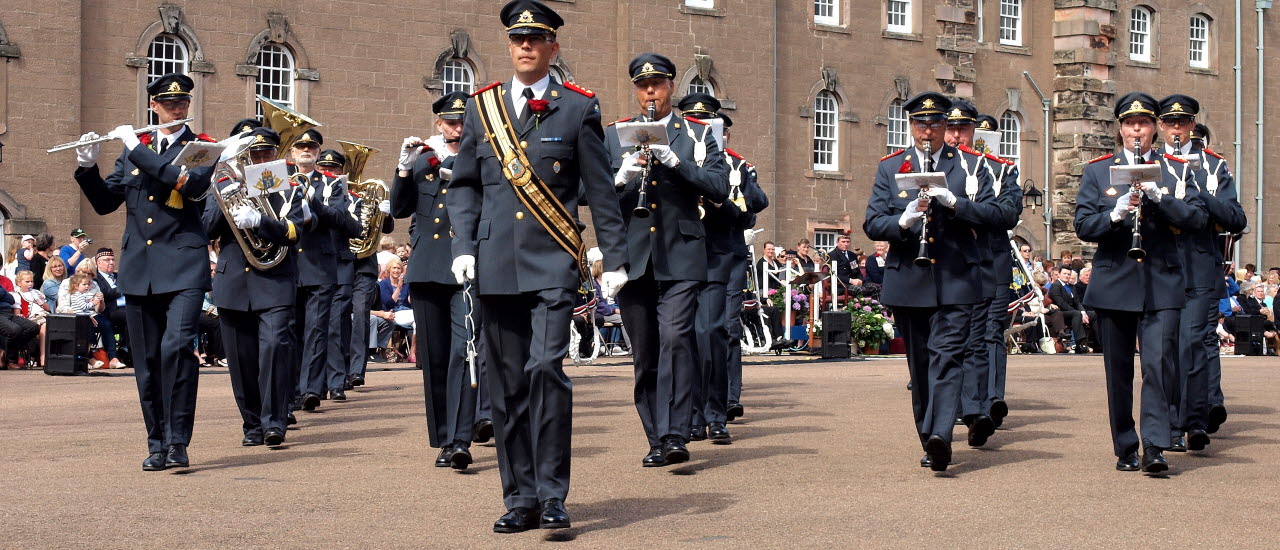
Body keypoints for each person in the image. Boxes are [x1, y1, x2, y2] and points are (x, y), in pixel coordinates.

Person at [448, 0, 630, 532]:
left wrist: (613, 257)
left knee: (546, 369)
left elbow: (599, 190)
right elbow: (463, 187)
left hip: (551, 263)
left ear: (553, 47)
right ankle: (519, 497)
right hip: (495, 264)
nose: (525, 47)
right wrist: (463, 246)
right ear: (509, 46)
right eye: (517, 40)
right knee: (505, 387)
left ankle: (552, 494)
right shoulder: (483, 108)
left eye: (536, 40)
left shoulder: (577, 107)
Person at [72, 73, 215, 470]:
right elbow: (104, 204)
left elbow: (189, 186)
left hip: (184, 266)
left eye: (183, 101)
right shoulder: (137, 149)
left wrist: (136, 149)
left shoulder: (201, 146)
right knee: (148, 359)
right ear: (153, 105)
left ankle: (178, 440)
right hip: (139, 269)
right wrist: (87, 167)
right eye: (169, 103)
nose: (177, 107)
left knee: (176, 349)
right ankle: (157, 442)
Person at [606, 52, 728, 470]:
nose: (650, 91)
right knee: (645, 353)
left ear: (671, 86)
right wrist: (620, 178)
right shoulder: (615, 134)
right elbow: (589, 194)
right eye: (643, 85)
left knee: (677, 339)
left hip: (680, 253)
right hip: (634, 257)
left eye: (657, 83)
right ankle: (656, 437)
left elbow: (719, 187)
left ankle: (676, 433)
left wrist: (678, 163)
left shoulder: (695, 134)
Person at [1074, 92, 1207, 475]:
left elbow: (1197, 219)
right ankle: (1125, 444)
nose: (1138, 130)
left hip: (1161, 280)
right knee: (1118, 370)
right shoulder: (1100, 170)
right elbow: (1084, 225)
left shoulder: (1176, 168)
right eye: (1131, 124)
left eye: (1145, 123)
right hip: (1115, 278)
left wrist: (1160, 198)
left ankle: (1155, 444)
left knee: (1159, 364)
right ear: (1120, 128)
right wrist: (1115, 214)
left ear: (1154, 128)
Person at [862, 91, 996, 472]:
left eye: (936, 123)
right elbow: (872, 221)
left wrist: (954, 203)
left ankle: (940, 435)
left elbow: (992, 214)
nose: (929, 130)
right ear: (911, 127)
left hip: (956, 277)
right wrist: (902, 221)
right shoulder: (892, 167)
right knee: (920, 366)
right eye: (922, 123)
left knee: (948, 356)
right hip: (910, 279)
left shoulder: (970, 165)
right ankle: (928, 435)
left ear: (945, 127)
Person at [390, 90, 482, 470]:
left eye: (462, 122)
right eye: (449, 122)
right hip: (428, 268)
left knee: (464, 352)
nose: (456, 128)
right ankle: (444, 436)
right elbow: (399, 209)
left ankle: (460, 439)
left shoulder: (480, 157)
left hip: (467, 265)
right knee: (436, 356)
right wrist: (404, 170)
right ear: (438, 124)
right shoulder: (424, 159)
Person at [204, 126, 305, 448]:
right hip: (234, 281)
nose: (260, 159)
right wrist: (227, 200)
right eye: (252, 154)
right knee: (241, 360)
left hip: (275, 280)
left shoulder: (289, 187)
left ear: (275, 154)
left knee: (276, 347)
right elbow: (206, 228)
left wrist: (261, 221)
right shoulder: (222, 186)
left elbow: (296, 231)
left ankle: (274, 422)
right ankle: (252, 424)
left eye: (265, 153)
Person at [679, 92, 768, 441]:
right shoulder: (672, 155)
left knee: (715, 333)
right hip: (681, 254)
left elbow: (749, 212)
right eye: (692, 121)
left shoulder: (734, 165)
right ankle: (690, 414)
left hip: (719, 255)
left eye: (707, 123)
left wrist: (722, 197)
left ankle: (717, 412)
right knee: (683, 338)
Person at [943, 104, 1022, 441]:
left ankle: (990, 401)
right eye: (951, 128)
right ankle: (968, 404)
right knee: (959, 337)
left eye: (963, 129)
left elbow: (1007, 213)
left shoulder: (998, 169)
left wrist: (963, 209)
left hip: (992, 260)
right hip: (953, 261)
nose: (956, 135)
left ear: (974, 131)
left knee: (990, 333)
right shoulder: (937, 169)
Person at [290, 128, 362, 409]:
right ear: (293, 152)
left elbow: (338, 217)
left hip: (319, 264)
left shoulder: (332, 184)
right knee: (290, 331)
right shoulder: (279, 178)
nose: (306, 150)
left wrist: (311, 199)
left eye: (312, 147)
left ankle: (310, 389)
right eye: (300, 146)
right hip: (289, 263)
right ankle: (292, 390)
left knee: (317, 330)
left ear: (318, 153)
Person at [93, 248, 128, 369]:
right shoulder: (95, 279)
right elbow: (105, 294)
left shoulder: (120, 276)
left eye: (113, 259)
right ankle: (125, 350)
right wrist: (124, 288)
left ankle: (128, 352)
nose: (111, 262)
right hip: (109, 311)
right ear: (98, 263)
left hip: (127, 309)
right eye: (107, 260)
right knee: (131, 316)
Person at [12, 271, 49, 366]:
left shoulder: (36, 293)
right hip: (30, 318)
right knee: (44, 325)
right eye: (27, 282)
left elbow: (47, 308)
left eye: (31, 281)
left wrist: (40, 301)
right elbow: (17, 313)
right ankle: (42, 356)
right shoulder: (17, 295)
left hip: (43, 314)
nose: (30, 284)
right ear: (19, 283)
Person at [0, 283, 41, 369]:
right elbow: (5, 296)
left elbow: (11, 300)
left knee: (33, 327)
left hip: (8, 313)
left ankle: (5, 353)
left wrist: (2, 294)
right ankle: (11, 360)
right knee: (14, 330)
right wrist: (3, 293)